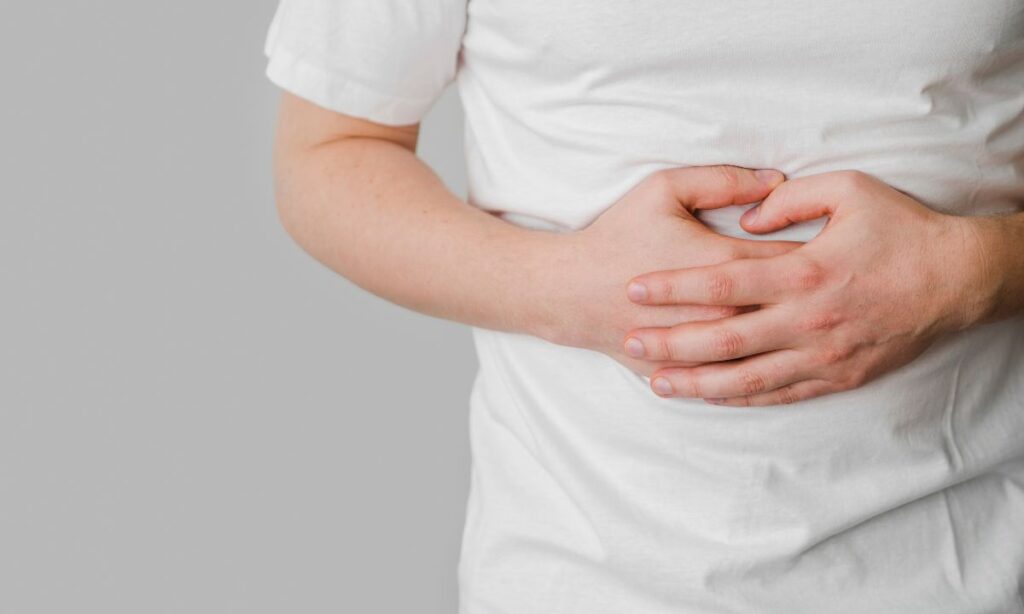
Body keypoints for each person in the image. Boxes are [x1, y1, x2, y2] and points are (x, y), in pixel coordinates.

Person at [263, 1, 1024, 612]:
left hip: (977, 571)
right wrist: (560, 289)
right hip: (579, 580)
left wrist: (971, 273)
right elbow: (328, 154)